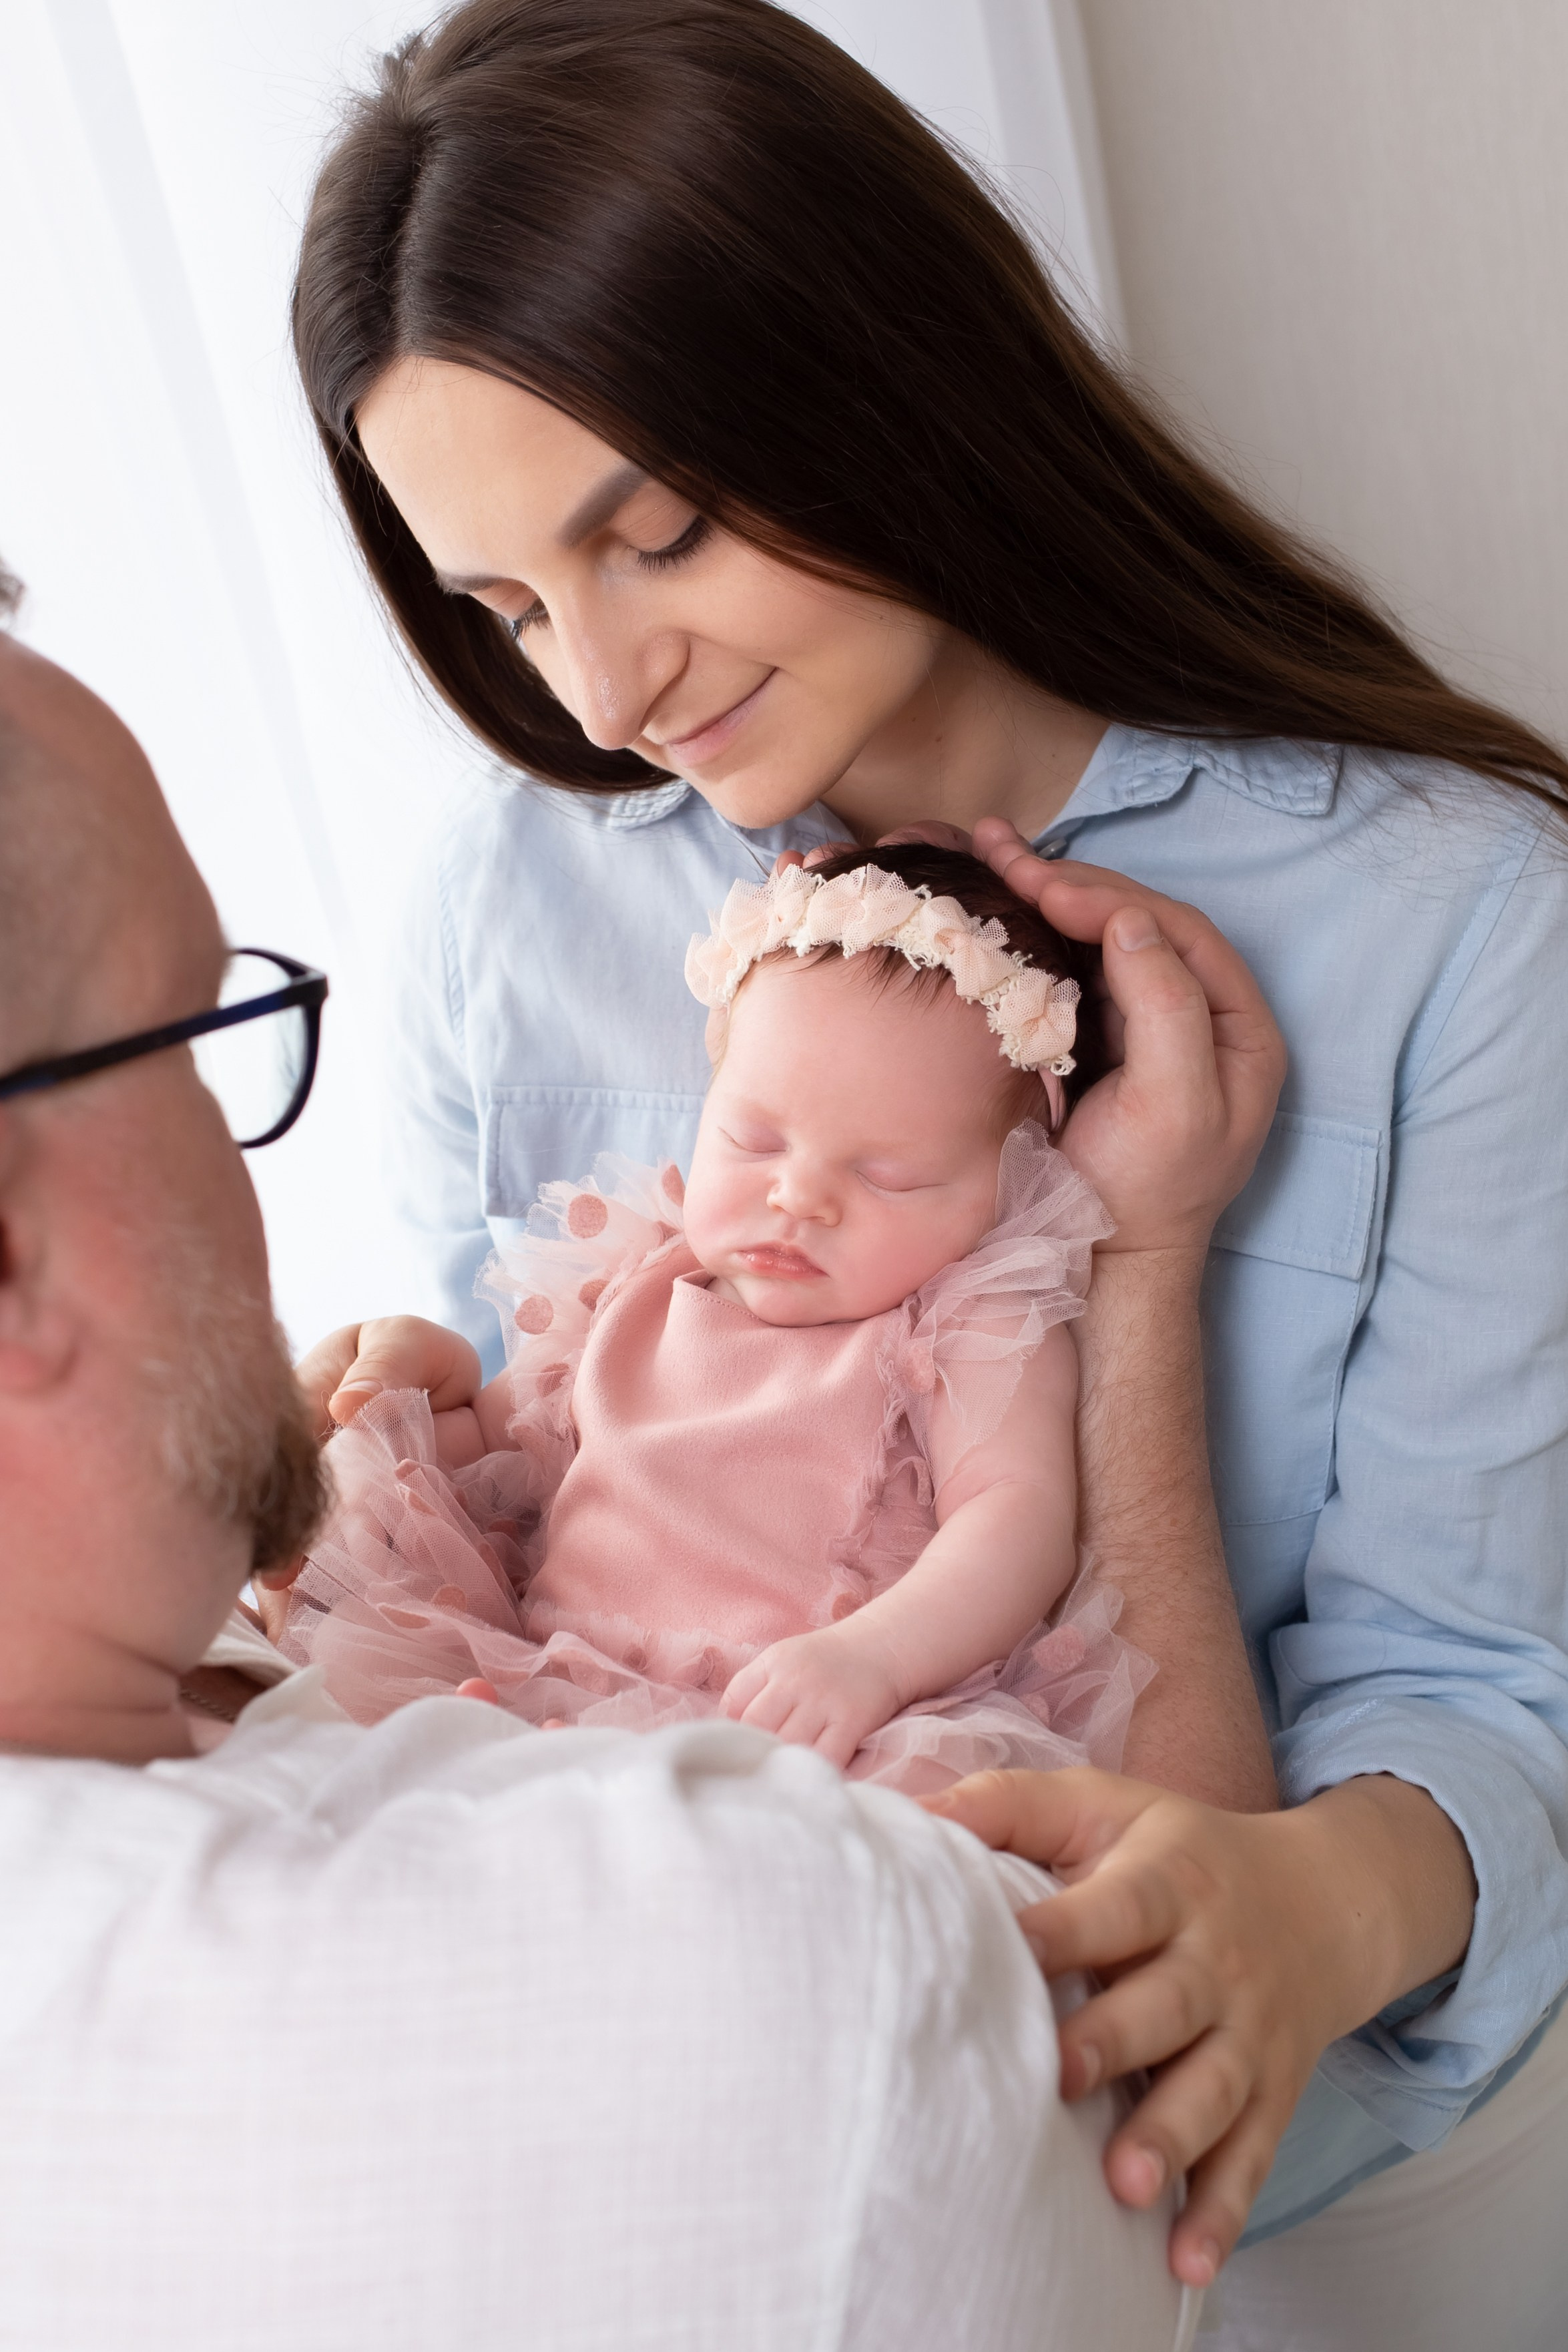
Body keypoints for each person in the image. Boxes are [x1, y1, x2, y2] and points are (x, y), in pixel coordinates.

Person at [287, 0, 1568, 2331]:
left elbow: (1483, 1675)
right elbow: (536, 1521)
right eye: (507, 609)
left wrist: (1316, 1904)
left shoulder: (1455, 919)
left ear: (877, 365)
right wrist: (382, 1405)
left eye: (651, 535)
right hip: (657, 2145)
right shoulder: (520, 897)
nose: (599, 693)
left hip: (1252, 2174)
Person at [0, 577, 1207, 2347]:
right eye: (201, 1043)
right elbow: (1197, 1982)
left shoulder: (205, 1701)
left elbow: (1000, 1521)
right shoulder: (807, 1976)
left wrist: (416, 1459)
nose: (608, 680)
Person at [271, 845, 1153, 1788]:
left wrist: (873, 1659)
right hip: (540, 1679)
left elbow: (1015, 1519)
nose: (797, 1198)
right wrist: (417, 1400)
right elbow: (509, 1453)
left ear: (1011, 1184)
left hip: (789, 1732)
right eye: (751, 1138)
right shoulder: (637, 1281)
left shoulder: (961, 1321)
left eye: (888, 1176)